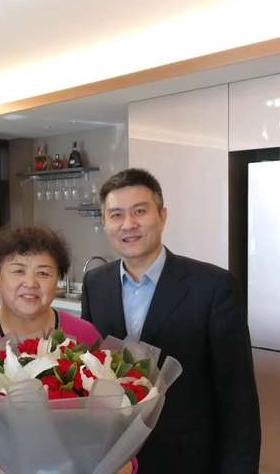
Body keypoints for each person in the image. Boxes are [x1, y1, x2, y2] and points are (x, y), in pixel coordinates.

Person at [81, 168, 261, 474]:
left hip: (187, 459)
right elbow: (89, 374)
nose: (128, 224)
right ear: (104, 222)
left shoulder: (213, 286)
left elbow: (237, 396)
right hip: (113, 459)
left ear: (162, 216)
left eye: (140, 211)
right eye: (116, 214)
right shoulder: (95, 283)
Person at [0, 226, 103, 474]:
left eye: (43, 273)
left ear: (57, 281)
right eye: (18, 271)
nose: (31, 283)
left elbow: (111, 414)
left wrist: (120, 461)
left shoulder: (85, 335)